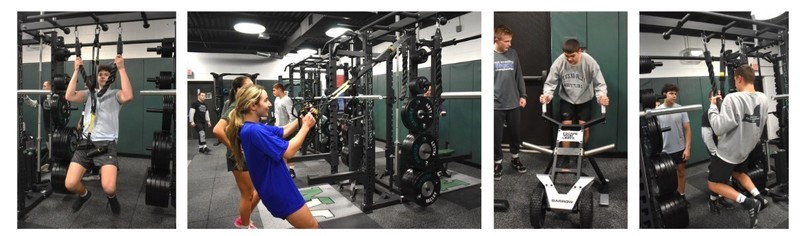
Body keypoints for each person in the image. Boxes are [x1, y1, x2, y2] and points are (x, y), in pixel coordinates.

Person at [226, 85, 319, 228]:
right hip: (279, 190)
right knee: (312, 228)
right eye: (266, 100)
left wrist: (301, 118)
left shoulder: (252, 127)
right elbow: (288, 151)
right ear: (253, 106)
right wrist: (306, 126)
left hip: (275, 186)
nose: (269, 104)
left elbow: (283, 131)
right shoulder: (254, 131)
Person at [63, 54, 133, 214]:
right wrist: (75, 70)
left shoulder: (115, 94)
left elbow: (128, 96)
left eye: (106, 74)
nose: (103, 76)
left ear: (111, 78)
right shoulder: (88, 94)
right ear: (97, 77)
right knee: (71, 184)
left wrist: (121, 68)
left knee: (108, 187)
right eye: (100, 74)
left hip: (106, 144)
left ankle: (112, 197)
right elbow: (68, 96)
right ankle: (84, 195)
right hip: (85, 143)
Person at [707, 65, 769, 228]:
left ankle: (749, 202)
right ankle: (760, 197)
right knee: (739, 173)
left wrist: (712, 108)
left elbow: (719, 128)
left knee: (713, 184)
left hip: (728, 152)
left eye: (735, 79)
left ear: (739, 78)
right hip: (745, 150)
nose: (735, 82)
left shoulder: (732, 98)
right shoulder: (763, 98)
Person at [540, 39, 609, 163]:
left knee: (585, 128)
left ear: (580, 51)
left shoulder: (589, 62)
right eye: (567, 56)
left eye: (572, 56)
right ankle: (566, 156)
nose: (569, 59)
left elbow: (600, 84)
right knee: (565, 128)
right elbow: (550, 83)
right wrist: (547, 96)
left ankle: (580, 154)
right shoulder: (560, 61)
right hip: (567, 98)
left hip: (585, 98)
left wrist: (601, 97)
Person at [213, 76, 259, 229]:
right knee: (248, 194)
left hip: (246, 155)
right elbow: (218, 130)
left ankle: (243, 219)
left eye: (252, 86)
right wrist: (235, 148)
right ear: (237, 89)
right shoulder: (235, 106)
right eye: (247, 87)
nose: (250, 90)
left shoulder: (243, 105)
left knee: (253, 192)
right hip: (238, 157)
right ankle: (244, 225)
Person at [493, 25, 527, 181]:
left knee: (515, 134)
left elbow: (518, 75)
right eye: (506, 41)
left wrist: (523, 95)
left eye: (510, 41)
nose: (509, 44)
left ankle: (515, 158)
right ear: (497, 40)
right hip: (495, 104)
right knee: (496, 137)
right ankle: (497, 163)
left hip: (513, 101)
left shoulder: (513, 54)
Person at [655, 84, 691, 198]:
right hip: (664, 150)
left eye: (675, 93)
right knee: (666, 177)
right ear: (664, 94)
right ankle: (669, 198)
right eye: (671, 93)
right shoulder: (656, 111)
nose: (674, 96)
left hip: (680, 149)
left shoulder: (681, 109)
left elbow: (687, 130)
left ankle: (682, 195)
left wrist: (687, 149)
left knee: (681, 173)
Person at [700, 100, 735, 214]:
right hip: (713, 146)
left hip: (723, 146)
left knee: (725, 174)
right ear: (711, 99)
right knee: (717, 174)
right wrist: (715, 153)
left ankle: (721, 197)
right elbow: (706, 135)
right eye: (717, 95)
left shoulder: (724, 110)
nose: (721, 97)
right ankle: (712, 201)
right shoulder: (708, 113)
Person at [23, 81, 53, 172]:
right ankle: (51, 166)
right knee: (50, 148)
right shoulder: (43, 97)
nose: (42, 88)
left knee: (56, 149)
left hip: (56, 128)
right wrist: (26, 97)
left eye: (44, 86)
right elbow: (34, 104)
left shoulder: (56, 96)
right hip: (48, 128)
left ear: (50, 87)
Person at [272, 83, 297, 178]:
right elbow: (277, 113)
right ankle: (283, 169)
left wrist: (288, 128)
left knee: (288, 150)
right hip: (278, 128)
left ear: (279, 89)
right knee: (279, 150)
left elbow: (293, 116)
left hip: (286, 129)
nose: (273, 92)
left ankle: (291, 170)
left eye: (274, 90)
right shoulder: (276, 99)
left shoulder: (287, 100)